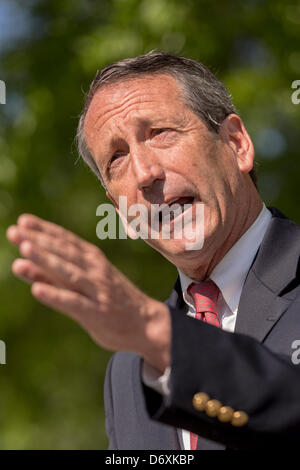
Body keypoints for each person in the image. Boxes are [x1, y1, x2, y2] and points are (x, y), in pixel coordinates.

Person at [6, 52, 300, 450]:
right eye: (117, 158)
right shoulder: (130, 369)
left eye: (160, 132)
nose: (145, 174)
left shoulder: (152, 339)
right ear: (123, 214)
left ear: (236, 144)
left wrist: (158, 333)